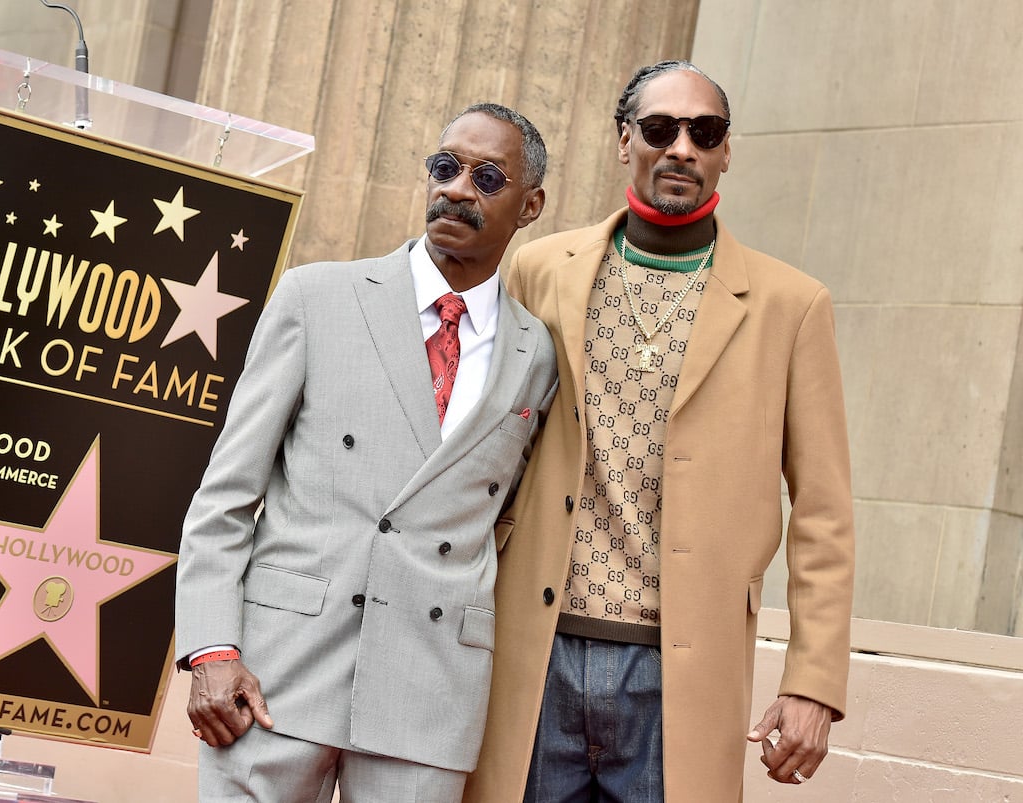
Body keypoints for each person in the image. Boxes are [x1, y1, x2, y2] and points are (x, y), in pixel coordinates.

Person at [462, 61, 855, 803]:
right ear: (623, 141)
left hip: (680, 673)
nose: (682, 147)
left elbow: (826, 512)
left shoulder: (791, 306)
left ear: (726, 152)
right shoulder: (542, 270)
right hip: (532, 653)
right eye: (659, 128)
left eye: (703, 132)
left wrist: (814, 679)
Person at [176, 102, 558, 803]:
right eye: (444, 168)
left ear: (530, 205)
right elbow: (227, 493)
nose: (456, 189)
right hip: (276, 675)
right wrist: (211, 647)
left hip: (430, 686)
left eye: (487, 177)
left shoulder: (536, 355)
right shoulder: (319, 297)